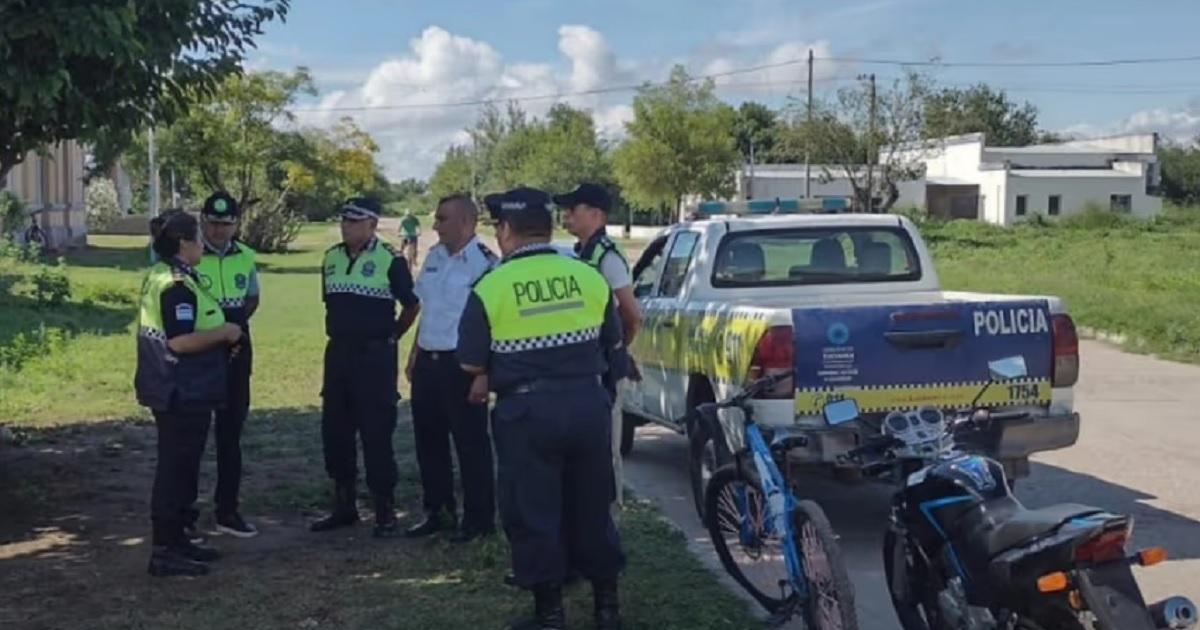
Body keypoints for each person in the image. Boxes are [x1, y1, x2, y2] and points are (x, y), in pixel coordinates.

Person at [458, 187, 626, 630]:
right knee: (592, 505)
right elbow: (612, 341)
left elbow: (471, 361)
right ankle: (607, 607)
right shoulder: (587, 275)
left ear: (507, 230)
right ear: (548, 228)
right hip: (588, 404)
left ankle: (550, 615)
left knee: (533, 510)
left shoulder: (491, 285)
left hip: (527, 412)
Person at [135, 210, 245, 577]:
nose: (203, 243)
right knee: (175, 469)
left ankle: (180, 539)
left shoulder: (172, 274)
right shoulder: (175, 284)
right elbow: (180, 341)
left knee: (184, 467)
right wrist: (225, 333)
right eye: (198, 237)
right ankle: (165, 550)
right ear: (184, 243)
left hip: (186, 388)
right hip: (178, 388)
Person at [310, 197, 420, 538]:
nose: (346, 227)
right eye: (344, 221)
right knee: (336, 431)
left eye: (355, 222)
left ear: (372, 225)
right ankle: (344, 505)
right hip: (339, 355)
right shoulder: (330, 258)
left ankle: (384, 510)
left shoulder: (389, 260)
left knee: (376, 432)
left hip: (375, 358)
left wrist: (392, 337)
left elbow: (411, 306)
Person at [404, 194, 498, 542]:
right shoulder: (434, 257)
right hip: (429, 361)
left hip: (463, 366)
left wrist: (483, 373)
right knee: (428, 441)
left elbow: (493, 324)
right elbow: (429, 309)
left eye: (442, 219)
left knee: (471, 444)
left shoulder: (486, 264)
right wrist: (415, 351)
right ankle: (438, 511)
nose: (435, 225)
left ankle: (478, 521)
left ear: (465, 222)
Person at [555, 183, 642, 514]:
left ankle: (611, 515)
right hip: (584, 365)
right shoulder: (580, 252)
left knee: (607, 448)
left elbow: (632, 315)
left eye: (573, 209)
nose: (566, 215)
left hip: (605, 366)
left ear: (596, 214)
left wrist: (618, 349)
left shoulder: (606, 255)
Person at [190, 191, 260, 538]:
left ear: (236, 224)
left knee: (230, 433)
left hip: (235, 352)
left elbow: (252, 297)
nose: (219, 231)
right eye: (213, 223)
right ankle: (185, 514)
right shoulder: (188, 254)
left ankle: (227, 511)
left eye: (226, 224)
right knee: (192, 435)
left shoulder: (246, 255)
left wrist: (232, 329)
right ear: (203, 220)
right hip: (198, 354)